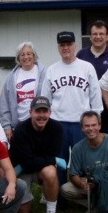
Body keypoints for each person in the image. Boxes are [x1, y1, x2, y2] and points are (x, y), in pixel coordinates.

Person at [40, 31, 102, 180]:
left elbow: (95, 97)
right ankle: (60, 198)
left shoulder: (87, 67)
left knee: (84, 160)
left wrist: (96, 121)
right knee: (60, 162)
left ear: (75, 46)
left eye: (69, 44)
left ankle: (83, 196)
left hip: (81, 124)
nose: (66, 48)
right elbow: (45, 100)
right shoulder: (52, 69)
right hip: (58, 122)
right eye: (62, 45)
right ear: (58, 48)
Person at [9, 96, 64, 213]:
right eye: (37, 111)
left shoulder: (57, 128)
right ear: (31, 112)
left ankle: (51, 212)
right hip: (21, 170)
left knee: (50, 171)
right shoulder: (21, 129)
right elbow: (27, 163)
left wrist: (49, 160)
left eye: (44, 111)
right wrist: (53, 160)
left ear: (50, 113)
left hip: (40, 169)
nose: (41, 116)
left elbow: (50, 157)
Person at [60, 111, 108, 213]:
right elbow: (73, 175)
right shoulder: (77, 148)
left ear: (99, 125)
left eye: (93, 125)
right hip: (90, 182)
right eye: (87, 126)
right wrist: (82, 184)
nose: (91, 129)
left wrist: (98, 180)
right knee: (65, 189)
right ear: (82, 128)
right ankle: (97, 205)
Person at [77, 20, 108, 135]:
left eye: (101, 34)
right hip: (87, 108)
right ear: (90, 37)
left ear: (107, 37)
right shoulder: (81, 55)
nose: (98, 37)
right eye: (95, 34)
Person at [0, 41, 47, 141]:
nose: (26, 57)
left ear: (34, 56)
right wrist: (6, 126)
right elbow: (4, 103)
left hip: (39, 125)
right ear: (18, 58)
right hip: (18, 126)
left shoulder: (45, 73)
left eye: (29, 54)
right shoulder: (12, 77)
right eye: (22, 54)